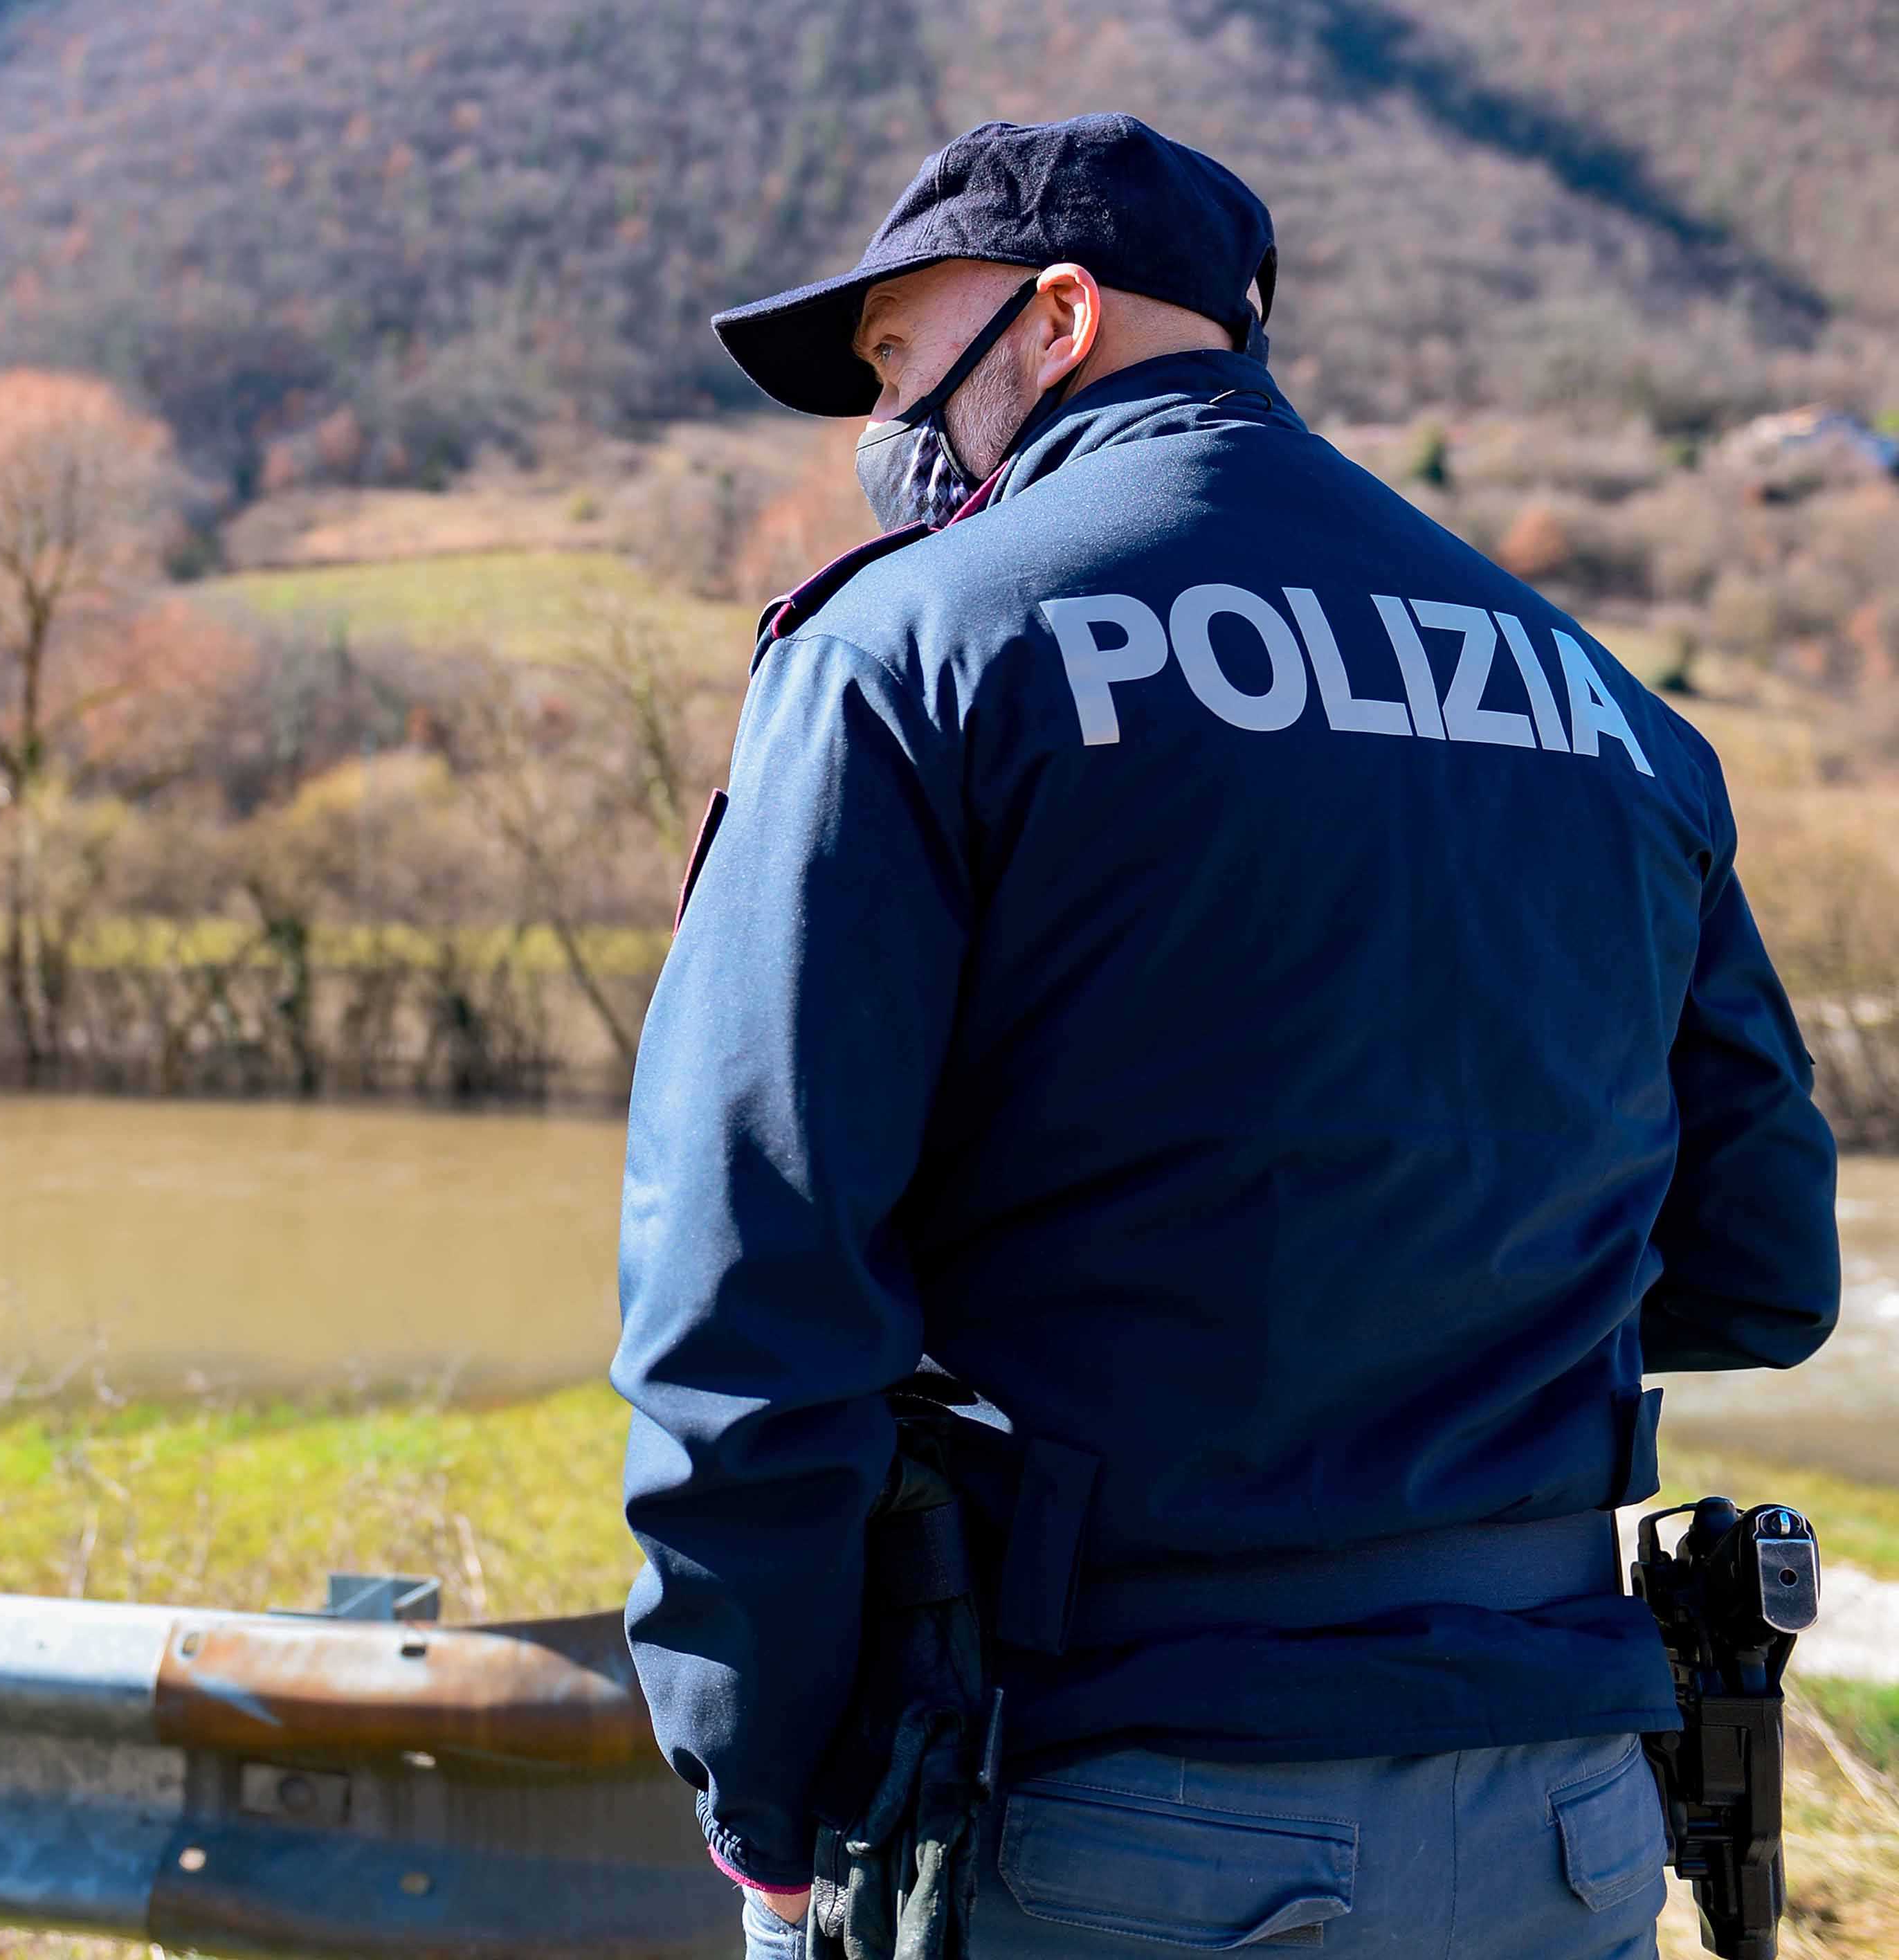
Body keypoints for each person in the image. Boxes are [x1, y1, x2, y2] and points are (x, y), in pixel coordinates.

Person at [611, 114, 1839, 1958]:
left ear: (1060, 318)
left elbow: (748, 1287)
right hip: (1567, 1813)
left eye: (900, 360)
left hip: (1107, 1807)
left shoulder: (911, 653)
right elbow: (1762, 1274)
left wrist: (759, 1792)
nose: (889, 424)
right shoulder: (1604, 704)